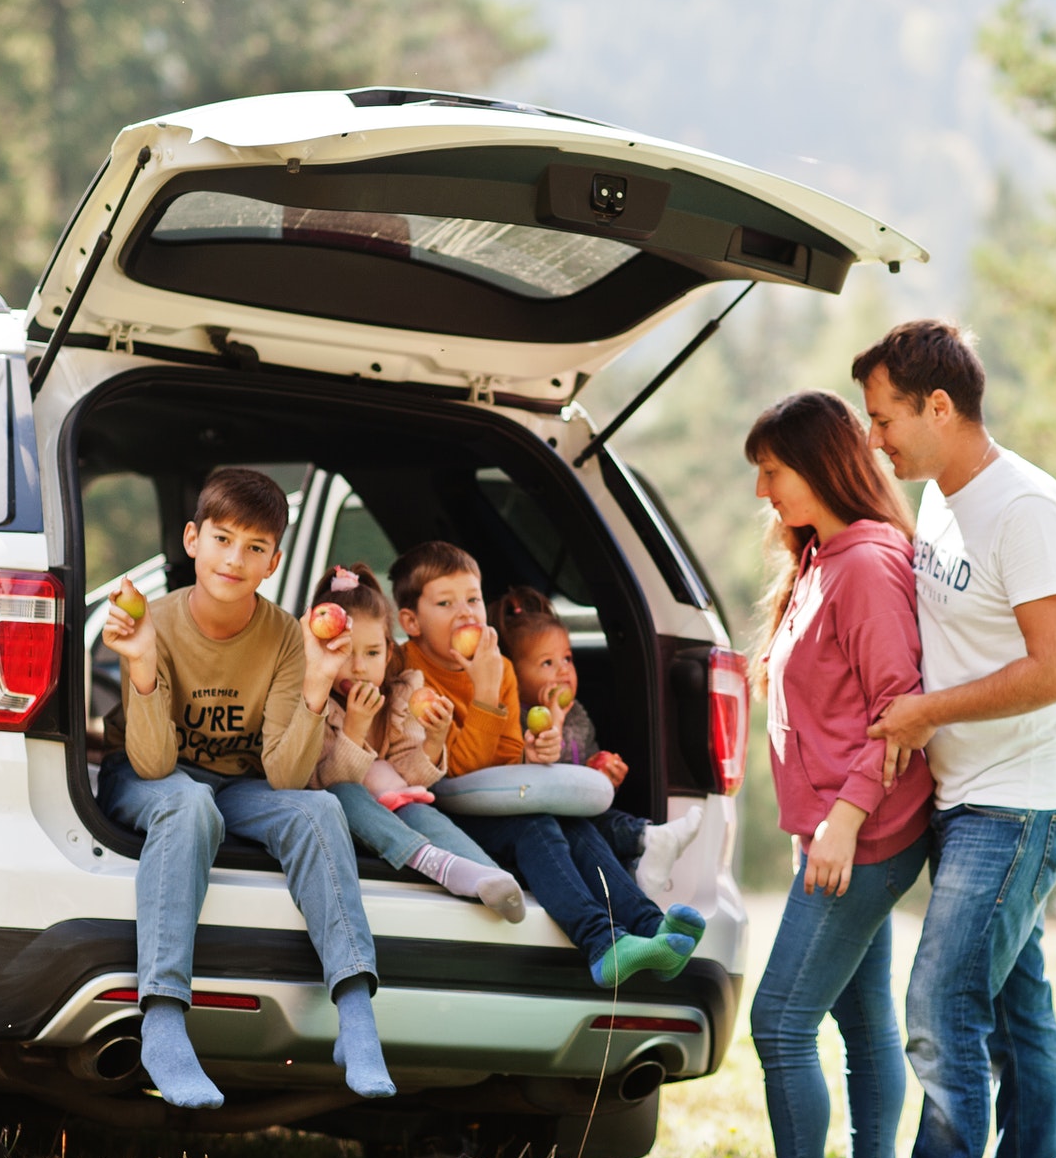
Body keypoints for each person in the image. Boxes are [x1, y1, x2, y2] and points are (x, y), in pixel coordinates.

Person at [855, 321, 1056, 1158]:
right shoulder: (946, 499)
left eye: (885, 420)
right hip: (968, 796)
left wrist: (924, 714)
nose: (877, 440)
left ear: (939, 406)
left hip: (1022, 799)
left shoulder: (1026, 508)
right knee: (1016, 1012)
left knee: (941, 1002)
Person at [97, 467, 395, 1109]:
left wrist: (318, 683)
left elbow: (286, 776)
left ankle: (356, 1016)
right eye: (223, 539)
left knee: (317, 807)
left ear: (273, 562)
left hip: (236, 784)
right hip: (152, 776)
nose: (235, 558)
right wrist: (144, 661)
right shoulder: (158, 621)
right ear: (192, 540)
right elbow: (151, 764)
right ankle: (164, 1020)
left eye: (254, 548)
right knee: (186, 800)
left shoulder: (289, 636)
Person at [726, 390, 934, 1158]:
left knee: (778, 1021)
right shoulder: (824, 558)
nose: (764, 490)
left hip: (869, 832)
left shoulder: (867, 564)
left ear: (817, 465)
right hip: (840, 829)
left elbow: (900, 708)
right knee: (859, 1018)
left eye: (773, 472)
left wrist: (844, 821)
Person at [390, 540, 705, 987]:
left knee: (574, 825)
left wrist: (533, 752)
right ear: (411, 621)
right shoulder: (406, 669)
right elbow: (453, 774)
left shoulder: (498, 667)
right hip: (440, 810)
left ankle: (652, 929)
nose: (465, 613)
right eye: (445, 603)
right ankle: (603, 942)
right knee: (536, 827)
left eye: (474, 599)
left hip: (486, 801)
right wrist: (482, 694)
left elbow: (502, 761)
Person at [306, 563, 526, 923]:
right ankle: (432, 861)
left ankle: (490, 875)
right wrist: (355, 730)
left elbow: (410, 776)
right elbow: (326, 780)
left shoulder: (402, 694)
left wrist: (433, 742)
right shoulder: (319, 705)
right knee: (347, 794)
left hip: (396, 804)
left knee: (422, 811)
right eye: (345, 653)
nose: (359, 667)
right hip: (348, 814)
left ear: (390, 653)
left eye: (372, 653)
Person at [493, 584, 705, 900]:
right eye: (547, 663)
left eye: (567, 658)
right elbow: (542, 768)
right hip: (544, 819)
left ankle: (646, 850)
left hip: (578, 812)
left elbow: (584, 762)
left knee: (604, 821)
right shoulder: (515, 718)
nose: (563, 671)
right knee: (594, 829)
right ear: (512, 675)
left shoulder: (577, 713)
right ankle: (648, 840)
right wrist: (554, 720)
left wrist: (600, 770)